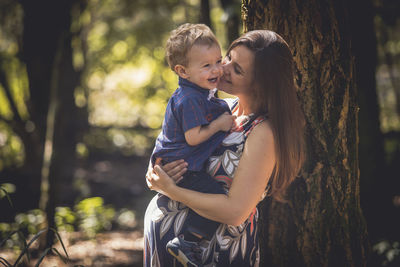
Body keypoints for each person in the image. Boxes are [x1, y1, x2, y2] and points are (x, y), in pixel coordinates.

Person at [144, 29, 305, 267]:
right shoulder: (218, 107)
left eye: (237, 69)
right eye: (227, 58)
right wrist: (154, 171)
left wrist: (170, 189)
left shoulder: (263, 132)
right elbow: (171, 142)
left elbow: (235, 212)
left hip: (214, 254)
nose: (223, 68)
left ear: (261, 85)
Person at [148, 23, 236, 266]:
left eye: (218, 60)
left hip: (179, 163)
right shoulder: (190, 98)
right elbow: (193, 138)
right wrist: (219, 124)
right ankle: (188, 240)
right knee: (217, 198)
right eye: (206, 65)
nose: (216, 69)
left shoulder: (201, 92)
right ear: (182, 71)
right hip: (182, 168)